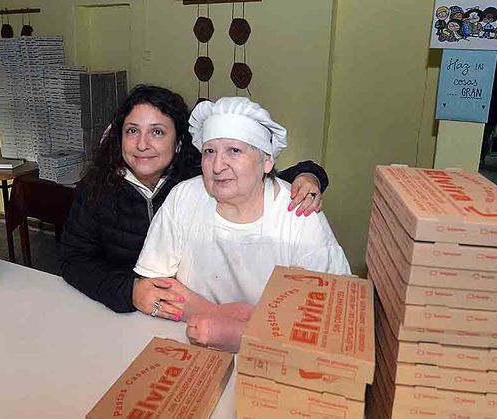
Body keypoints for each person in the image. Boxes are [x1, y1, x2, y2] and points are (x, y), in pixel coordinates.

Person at [59, 85, 329, 315]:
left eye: (157, 132)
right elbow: (73, 259)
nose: (142, 144)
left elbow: (256, 177)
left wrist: (310, 176)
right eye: (132, 131)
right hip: (123, 306)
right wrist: (128, 291)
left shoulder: (196, 178)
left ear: (178, 142)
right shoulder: (98, 187)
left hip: (180, 309)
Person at [134, 97, 351, 352]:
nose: (217, 166)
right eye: (209, 151)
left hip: (276, 355)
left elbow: (332, 317)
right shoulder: (185, 198)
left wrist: (240, 334)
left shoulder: (299, 214)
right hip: (188, 342)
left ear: (267, 161)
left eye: (234, 151)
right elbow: (151, 288)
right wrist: (217, 317)